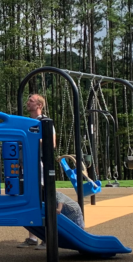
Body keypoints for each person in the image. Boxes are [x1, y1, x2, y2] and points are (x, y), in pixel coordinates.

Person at [17, 93, 83, 248]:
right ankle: (33, 237)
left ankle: (48, 235)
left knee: (43, 195)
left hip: (38, 164)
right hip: (26, 165)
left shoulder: (45, 122)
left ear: (39, 105)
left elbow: (51, 143)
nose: (28, 102)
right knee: (31, 197)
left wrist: (30, 139)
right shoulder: (26, 123)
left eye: (31, 101)